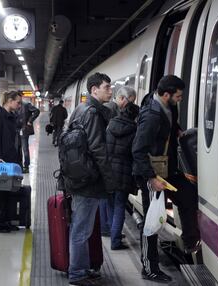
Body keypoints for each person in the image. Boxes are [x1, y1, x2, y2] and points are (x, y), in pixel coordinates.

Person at [132, 75, 200, 283]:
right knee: (152, 223)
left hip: (168, 169)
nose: (180, 99)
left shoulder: (169, 107)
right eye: (178, 96)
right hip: (152, 174)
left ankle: (190, 242)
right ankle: (149, 268)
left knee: (188, 196)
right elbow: (138, 150)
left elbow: (171, 125)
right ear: (166, 94)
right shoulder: (151, 116)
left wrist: (178, 131)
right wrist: (151, 178)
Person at [67, 72, 115, 286]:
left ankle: (83, 268)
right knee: (81, 229)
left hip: (78, 176)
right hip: (89, 180)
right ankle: (77, 273)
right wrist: (110, 179)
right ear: (94, 90)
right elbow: (98, 149)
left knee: (83, 227)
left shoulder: (80, 109)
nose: (110, 91)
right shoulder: (93, 113)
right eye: (106, 87)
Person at [100, 86, 137, 236]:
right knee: (117, 203)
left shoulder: (113, 121)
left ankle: (107, 228)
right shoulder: (109, 111)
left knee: (108, 200)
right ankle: (109, 231)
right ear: (122, 98)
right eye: (130, 102)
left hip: (108, 167)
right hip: (120, 169)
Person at [0, 91, 22, 233]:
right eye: (17, 102)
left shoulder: (11, 116)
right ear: (9, 100)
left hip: (10, 159)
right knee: (0, 192)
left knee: (8, 191)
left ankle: (5, 221)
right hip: (0, 159)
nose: (19, 105)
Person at [106, 101, 139, 250]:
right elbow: (134, 152)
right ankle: (116, 240)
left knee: (111, 203)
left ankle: (112, 232)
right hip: (124, 171)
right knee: (120, 205)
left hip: (108, 169)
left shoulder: (111, 124)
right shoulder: (134, 129)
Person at [17, 101, 40, 173]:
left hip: (24, 129)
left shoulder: (26, 105)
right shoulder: (13, 105)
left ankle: (26, 166)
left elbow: (37, 111)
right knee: (17, 148)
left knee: (25, 149)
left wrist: (30, 121)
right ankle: (19, 165)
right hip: (16, 130)